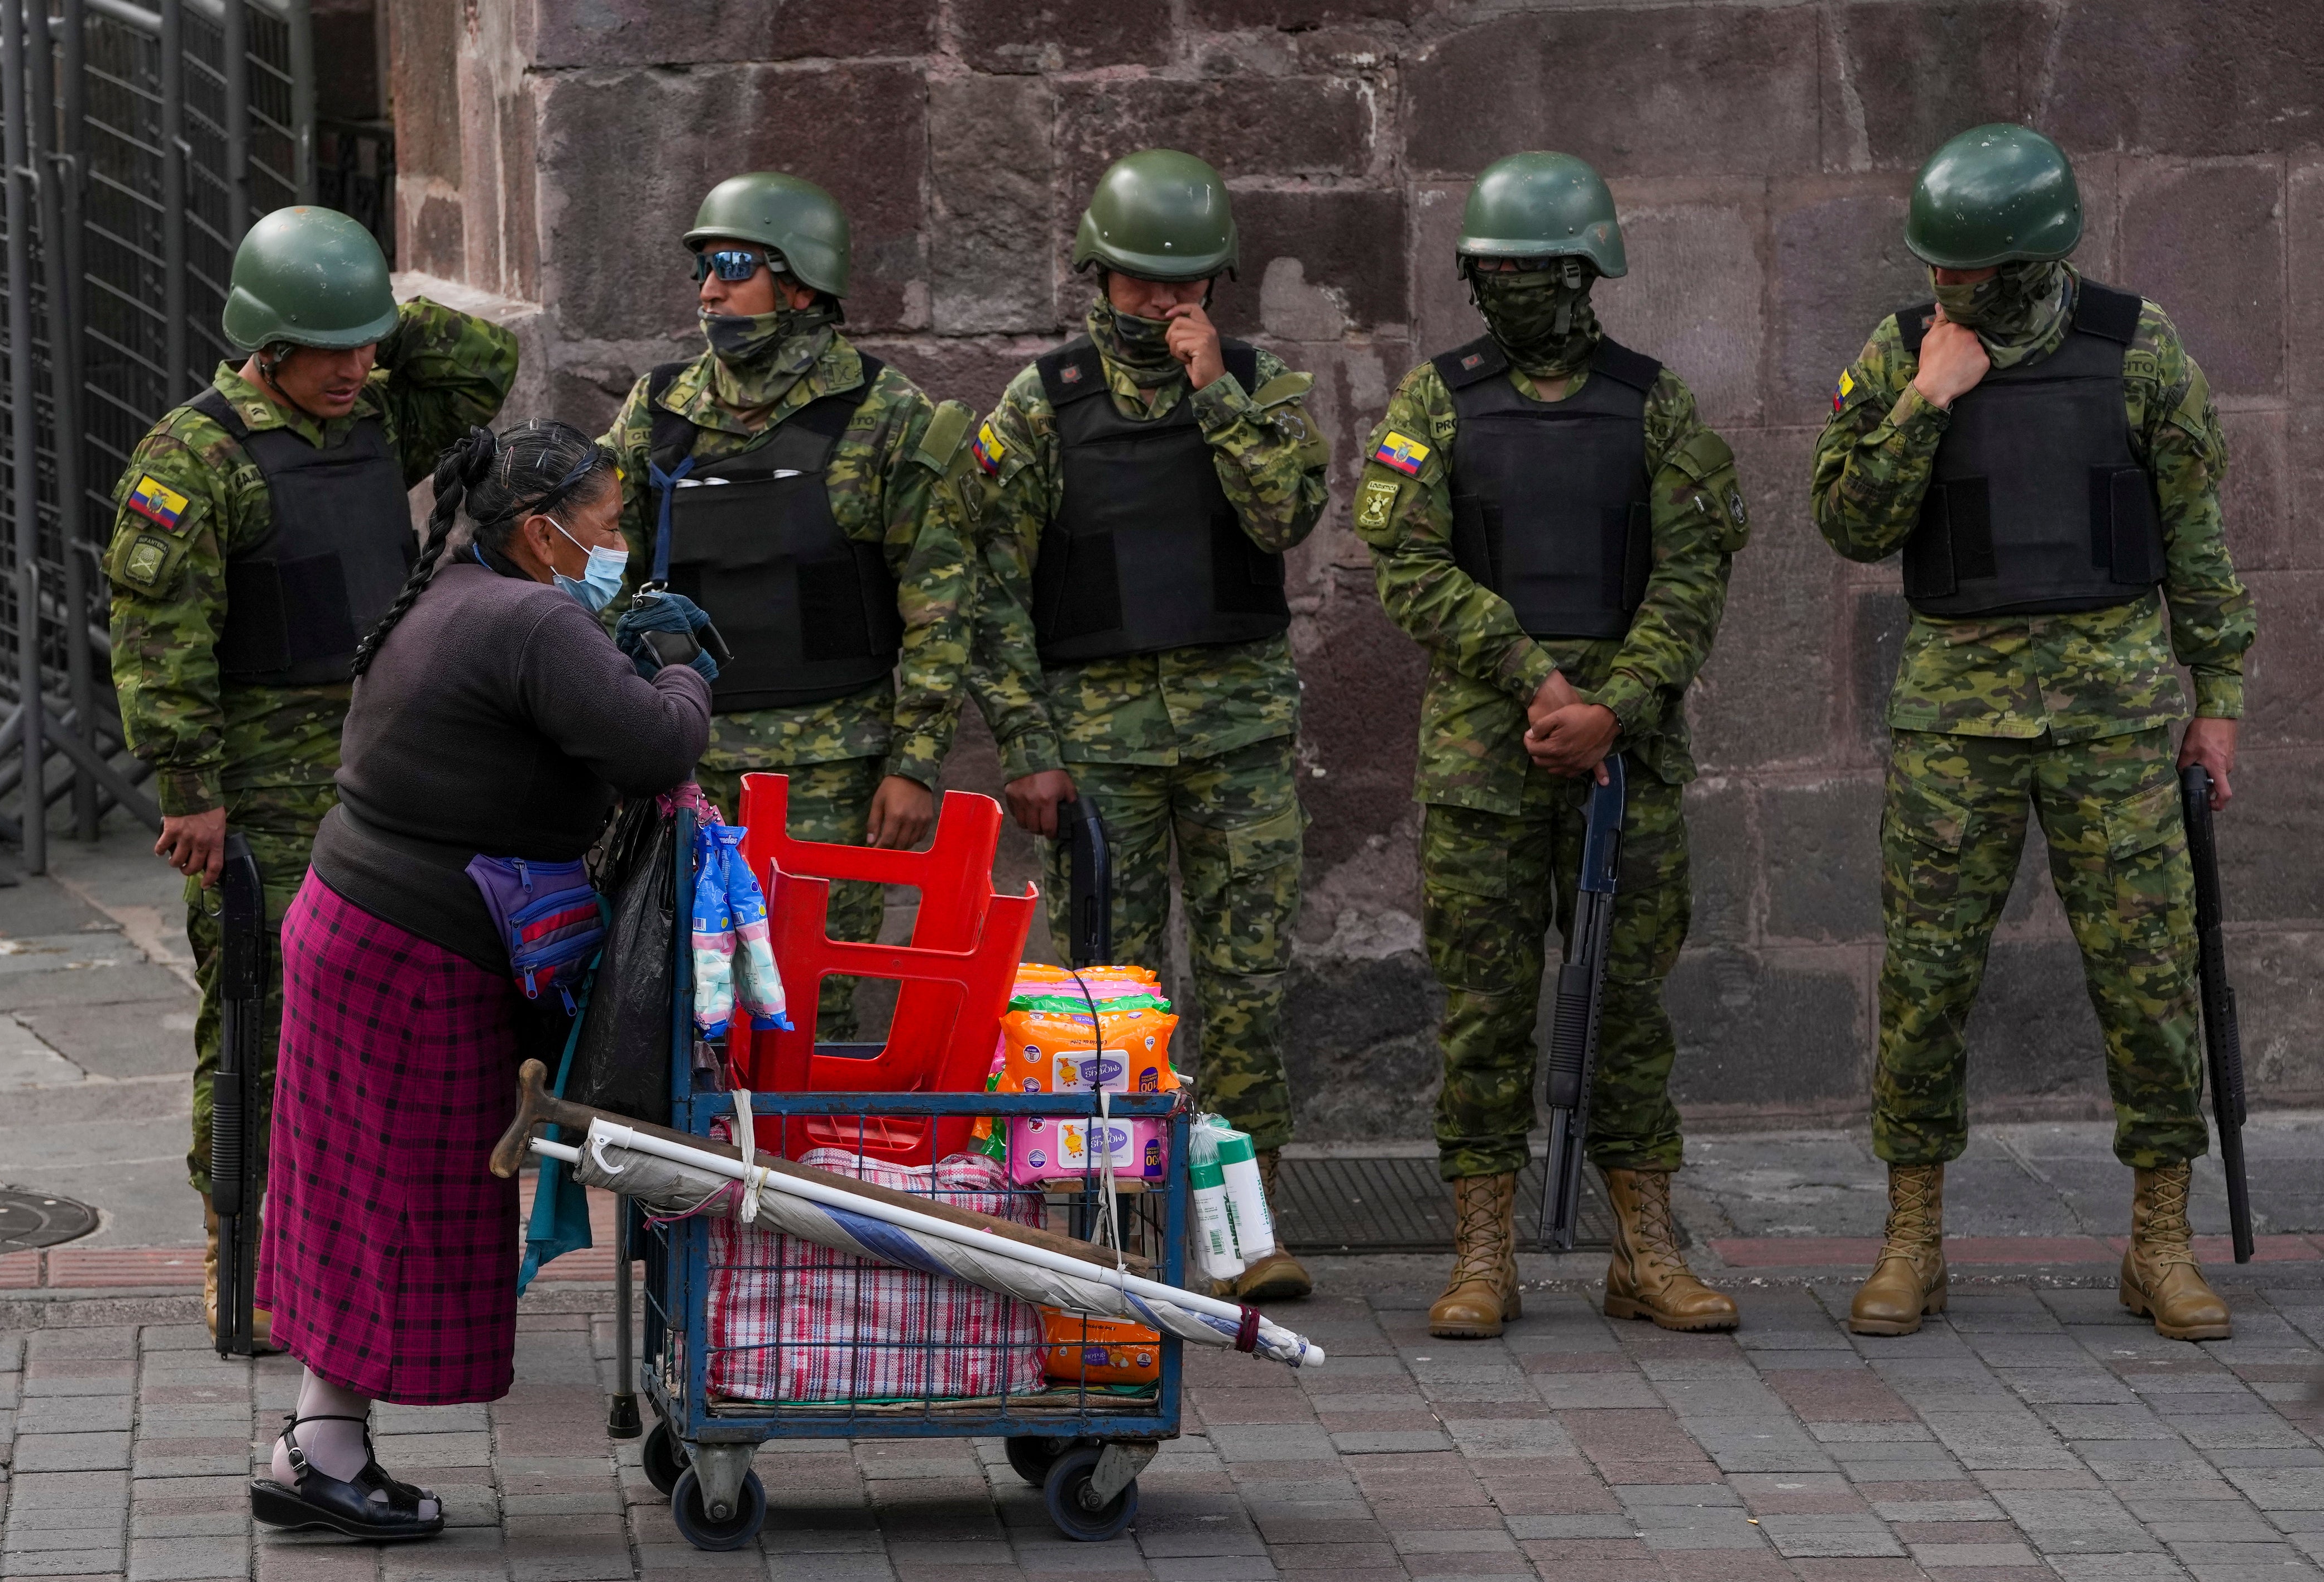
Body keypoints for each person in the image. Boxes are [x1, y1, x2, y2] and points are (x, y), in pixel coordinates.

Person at [1813, 124, 2254, 1341]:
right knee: (1924, 978)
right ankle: (1911, 1238)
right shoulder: (1899, 351)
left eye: (1963, 269)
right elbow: (1845, 523)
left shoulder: (2135, 346)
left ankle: (2156, 1240)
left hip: (2113, 718)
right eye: (1933, 268)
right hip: (1955, 719)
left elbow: (2195, 536)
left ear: (2023, 259)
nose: (1942, 286)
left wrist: (2213, 699)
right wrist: (1919, 402)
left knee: (2149, 976)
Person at [248, 420, 712, 1540]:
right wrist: (689, 672)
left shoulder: (460, 592)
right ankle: (321, 1454)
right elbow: (656, 748)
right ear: (543, 534)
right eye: (605, 521)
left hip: (358, 922)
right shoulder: (531, 619)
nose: (618, 540)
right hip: (410, 947)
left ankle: (318, 1441)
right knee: (398, 1201)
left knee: (357, 1192)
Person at [102, 206, 518, 1348]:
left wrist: (372, 304)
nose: (354, 368)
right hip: (263, 796)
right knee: (255, 1022)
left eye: (365, 343)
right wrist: (188, 787)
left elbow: (487, 365)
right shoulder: (193, 457)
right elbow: (159, 640)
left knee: (393, 1019)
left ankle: (358, 1251)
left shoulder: (379, 418)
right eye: (327, 346)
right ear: (264, 341)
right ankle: (240, 1254)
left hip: (386, 770)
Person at [1354, 152, 1750, 1340]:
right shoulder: (1434, 403)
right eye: (1495, 270)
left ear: (1587, 271)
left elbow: (1694, 571)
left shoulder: (1655, 402)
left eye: (1535, 269)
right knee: (1481, 1008)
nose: (1515, 288)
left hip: (1621, 764)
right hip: (1486, 757)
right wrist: (1537, 678)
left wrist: (1613, 707)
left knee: (1622, 1006)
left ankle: (1644, 1246)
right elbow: (1406, 565)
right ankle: (1484, 1251)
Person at [964, 148, 1330, 1303]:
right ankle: (1108, 1217)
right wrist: (1024, 744)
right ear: (1094, 273)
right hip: (1098, 747)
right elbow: (988, 587)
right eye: (1136, 284)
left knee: (1245, 983)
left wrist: (1213, 390)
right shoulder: (1041, 405)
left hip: (1236, 741)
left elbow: (1283, 517)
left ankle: (1243, 1220)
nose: (1160, 305)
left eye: (1181, 286)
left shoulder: (1260, 389)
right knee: (1098, 990)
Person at [599, 171, 979, 1039]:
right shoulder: (658, 411)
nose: (709, 290)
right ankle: (696, 1182)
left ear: (801, 282)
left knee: (810, 1008)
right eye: (701, 268)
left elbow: (944, 602)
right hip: (685, 761)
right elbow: (601, 572)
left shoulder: (886, 415)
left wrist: (914, 761)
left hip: (832, 772)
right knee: (676, 1004)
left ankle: (800, 1176)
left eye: (733, 265)